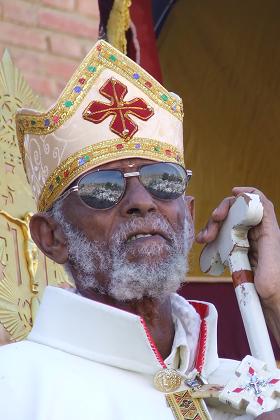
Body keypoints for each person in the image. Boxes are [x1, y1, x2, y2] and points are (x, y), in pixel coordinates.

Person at [0, 39, 279, 419]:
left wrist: (276, 299)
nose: (142, 200)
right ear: (52, 237)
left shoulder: (250, 392)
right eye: (103, 188)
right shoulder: (15, 387)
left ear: (189, 214)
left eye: (163, 181)